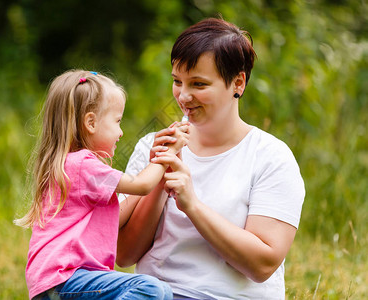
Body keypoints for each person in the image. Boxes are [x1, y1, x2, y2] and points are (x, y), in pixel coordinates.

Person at [117, 18, 305, 299]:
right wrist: (157, 178)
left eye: (199, 84)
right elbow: (125, 254)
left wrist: (191, 204)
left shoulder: (271, 158)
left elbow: (263, 264)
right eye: (177, 82)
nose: (184, 96)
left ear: (237, 82)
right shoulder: (152, 147)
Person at [14, 69, 189, 299]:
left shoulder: (72, 166)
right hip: (66, 279)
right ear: (91, 122)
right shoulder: (83, 165)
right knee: (152, 290)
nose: (121, 132)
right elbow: (142, 185)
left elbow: (134, 193)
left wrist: (153, 168)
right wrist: (171, 151)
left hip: (57, 282)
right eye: (117, 121)